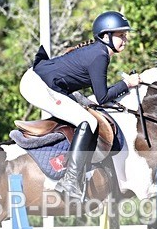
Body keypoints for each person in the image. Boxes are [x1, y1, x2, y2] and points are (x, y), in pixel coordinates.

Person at [19, 11, 141, 200]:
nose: (125, 39)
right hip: (37, 86)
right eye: (120, 35)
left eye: (125, 35)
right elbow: (103, 97)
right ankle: (70, 181)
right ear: (105, 36)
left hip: (44, 82)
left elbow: (96, 96)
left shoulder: (99, 52)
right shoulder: (100, 56)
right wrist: (127, 84)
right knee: (88, 121)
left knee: (85, 109)